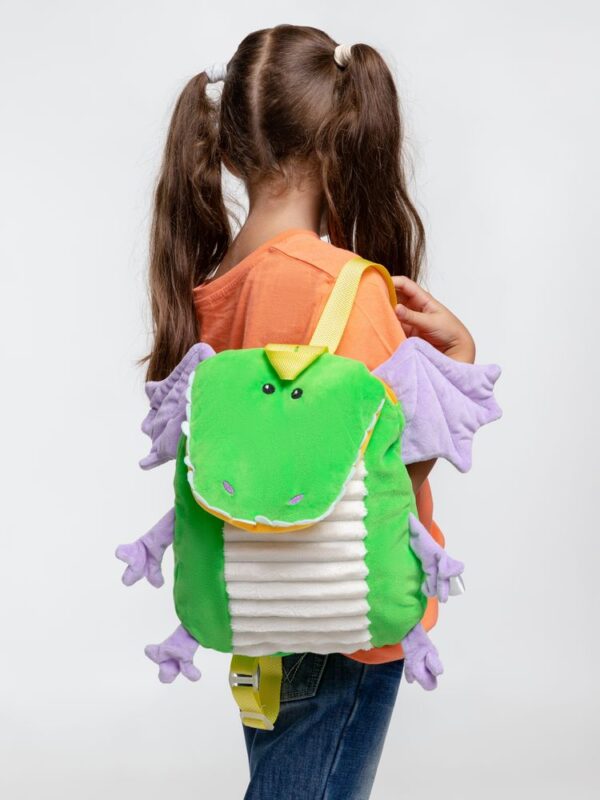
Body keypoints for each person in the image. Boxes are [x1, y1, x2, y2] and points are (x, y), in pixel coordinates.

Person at [144, 23, 476, 800]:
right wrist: (457, 356)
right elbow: (397, 474)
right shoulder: (342, 286)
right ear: (342, 143)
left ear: (229, 150)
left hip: (259, 610)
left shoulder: (211, 289)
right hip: (345, 614)